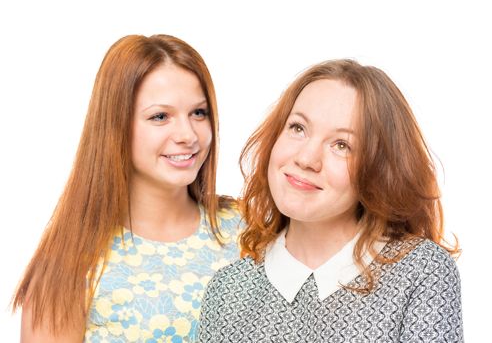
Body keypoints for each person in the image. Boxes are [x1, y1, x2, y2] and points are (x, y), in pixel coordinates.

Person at [198, 59, 463, 342]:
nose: (306, 159)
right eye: (298, 128)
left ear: (377, 170)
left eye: (341, 145)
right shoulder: (227, 291)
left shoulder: (421, 271)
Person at [12, 34, 242, 342]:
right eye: (160, 116)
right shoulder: (72, 261)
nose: (188, 134)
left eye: (198, 113)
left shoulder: (246, 230)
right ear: (116, 125)